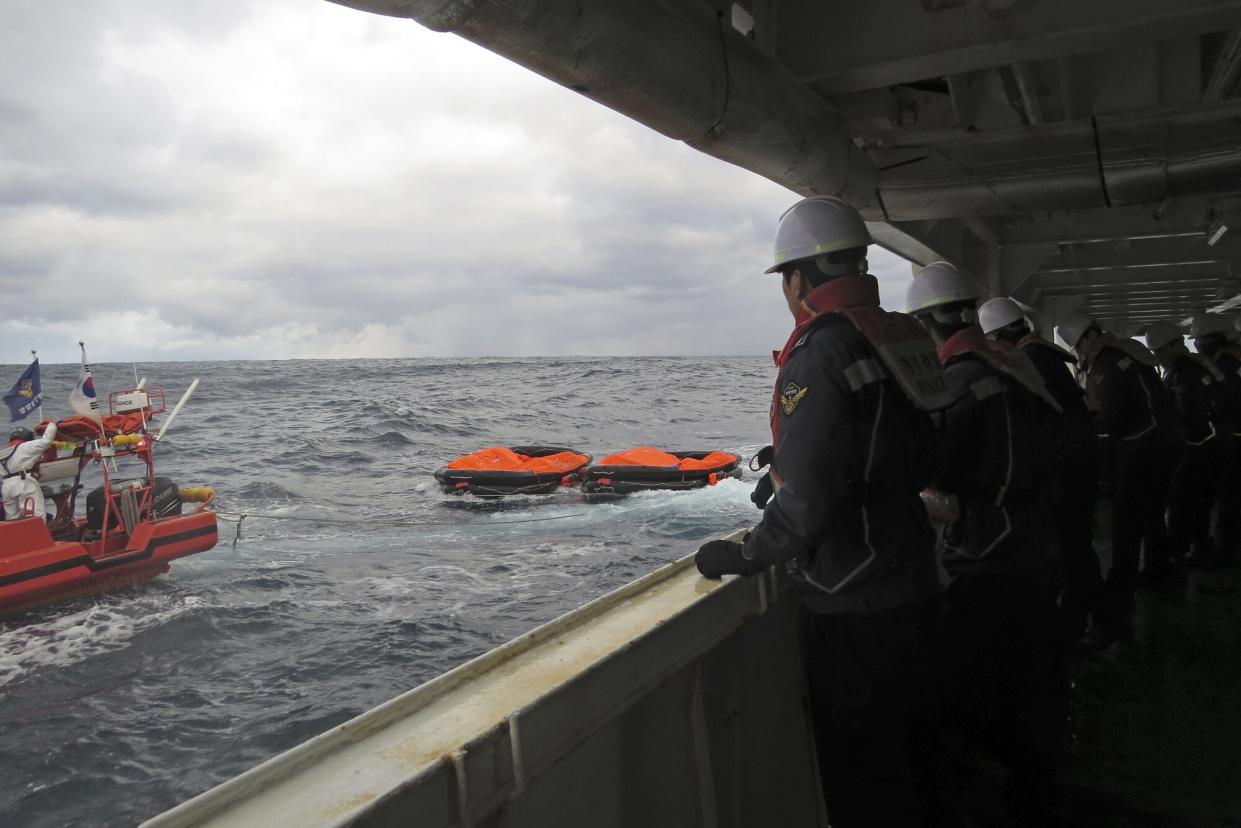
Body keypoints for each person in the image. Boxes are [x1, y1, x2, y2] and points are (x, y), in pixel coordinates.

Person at [694, 195, 949, 827]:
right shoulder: (897, 334)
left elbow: (808, 505)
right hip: (913, 572)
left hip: (852, 593)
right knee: (914, 760)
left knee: (862, 777)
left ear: (800, 277)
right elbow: (892, 442)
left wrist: (742, 554)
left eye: (786, 280)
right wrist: (792, 454)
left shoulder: (820, 351)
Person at [907, 266, 1064, 824]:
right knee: (1032, 684)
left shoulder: (958, 381)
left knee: (983, 691)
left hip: (988, 557)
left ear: (925, 324)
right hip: (1040, 546)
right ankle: (1035, 791)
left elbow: (928, 470)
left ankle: (996, 801)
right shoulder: (1015, 364)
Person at [979, 297, 1104, 646]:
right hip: (1080, 463)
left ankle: (1084, 624)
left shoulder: (1031, 361)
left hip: (1067, 470)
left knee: (1071, 547)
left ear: (1001, 334)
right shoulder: (1044, 357)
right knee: (1077, 544)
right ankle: (1097, 618)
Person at [1056, 310, 1179, 638]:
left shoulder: (1107, 363)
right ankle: (1157, 569)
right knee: (1153, 513)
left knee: (1127, 521)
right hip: (1164, 442)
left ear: (1085, 339)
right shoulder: (1127, 351)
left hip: (1143, 446)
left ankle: (1120, 592)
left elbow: (1110, 418)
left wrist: (1083, 435)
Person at [1145, 320, 1222, 574]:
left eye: (1159, 352)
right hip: (1210, 446)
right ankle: (1203, 550)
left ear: (1172, 346)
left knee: (1181, 505)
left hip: (1193, 449)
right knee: (1199, 504)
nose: (1159, 357)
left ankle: (1174, 559)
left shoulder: (1181, 373)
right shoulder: (1198, 366)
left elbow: (1185, 414)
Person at [1190, 314, 1241, 567]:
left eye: (1200, 339)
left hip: (1232, 437)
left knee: (1227, 497)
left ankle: (1226, 550)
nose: (1198, 344)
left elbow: (1225, 402)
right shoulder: (1233, 358)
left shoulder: (1223, 365)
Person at [1, 421, 58, 521]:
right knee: (36, 517)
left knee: (12, 520)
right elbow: (46, 441)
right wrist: (53, 425)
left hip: (6, 487)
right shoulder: (26, 446)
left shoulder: (2, 452)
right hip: (23, 483)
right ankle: (39, 536)